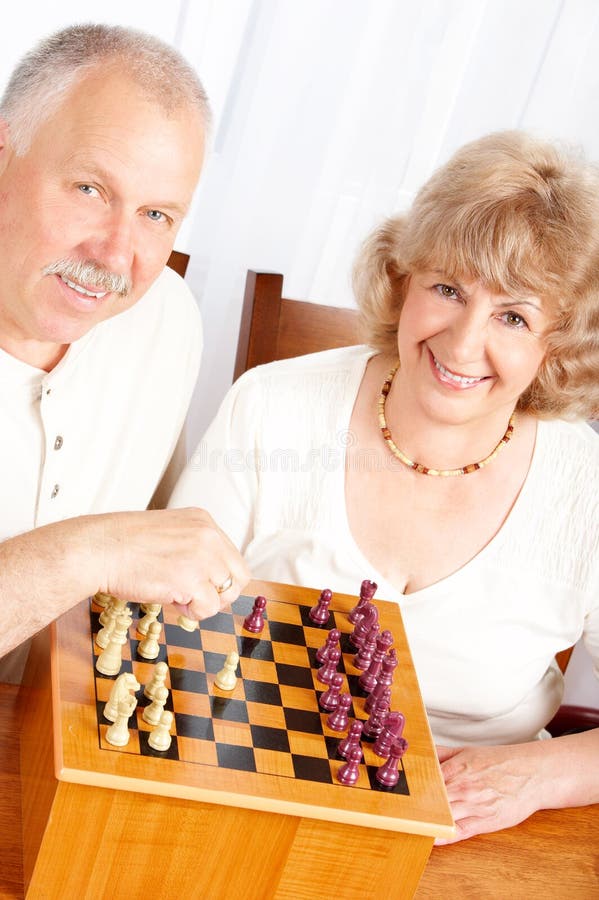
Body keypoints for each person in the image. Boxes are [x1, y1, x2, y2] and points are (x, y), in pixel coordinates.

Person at [170, 131, 599, 842]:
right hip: (248, 792)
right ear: (402, 278)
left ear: (558, 344)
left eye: (513, 316)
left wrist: (536, 777)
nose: (462, 344)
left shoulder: (586, 492)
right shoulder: (271, 404)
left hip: (478, 837)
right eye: (446, 289)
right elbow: (168, 627)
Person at [0, 24, 249, 671]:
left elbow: (158, 550)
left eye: (156, 215)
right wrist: (90, 551)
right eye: (90, 190)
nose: (115, 254)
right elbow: (119, 548)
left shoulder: (165, 316)